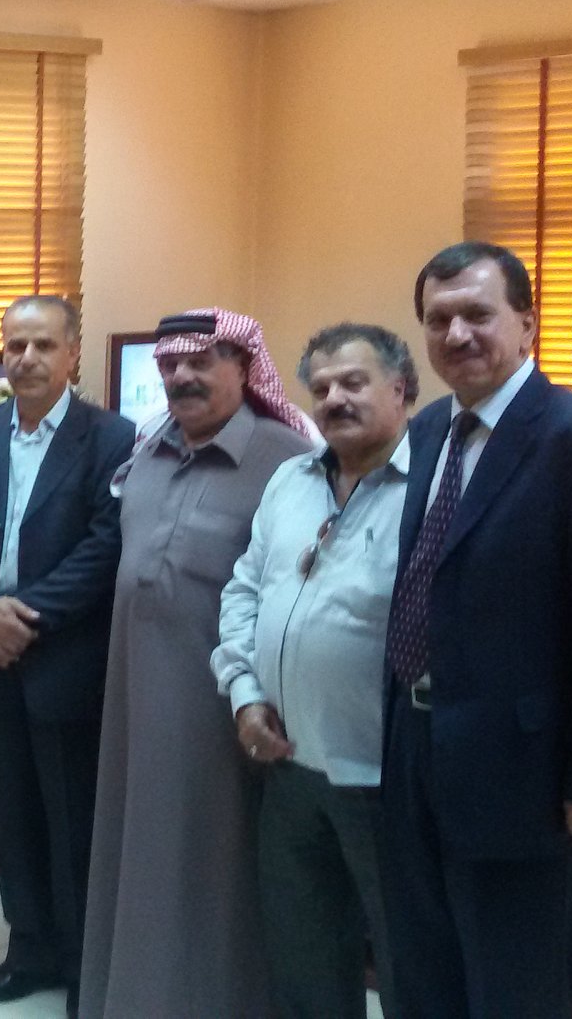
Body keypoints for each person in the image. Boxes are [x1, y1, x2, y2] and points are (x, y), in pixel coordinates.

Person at [379, 242, 572, 1019]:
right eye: (439, 319)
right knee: (423, 978)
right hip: (414, 749)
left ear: (528, 325)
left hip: (526, 775)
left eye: (478, 314)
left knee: (515, 991)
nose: (457, 334)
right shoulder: (429, 430)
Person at [78, 308, 314, 1019]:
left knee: (209, 863)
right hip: (131, 697)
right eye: (169, 364)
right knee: (135, 850)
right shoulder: (149, 448)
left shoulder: (287, 460)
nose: (181, 376)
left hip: (221, 708)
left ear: (244, 366)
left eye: (200, 361)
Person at [0, 295, 132, 1018]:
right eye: (16, 345)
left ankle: (82, 966)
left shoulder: (111, 437)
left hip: (64, 662)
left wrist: (23, 617)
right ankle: (28, 950)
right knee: (11, 816)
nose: (27, 359)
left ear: (73, 352)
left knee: (70, 820)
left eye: (44, 345)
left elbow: (106, 545)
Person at [211, 323, 417, 1019]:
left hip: (384, 778)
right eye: (321, 387)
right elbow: (244, 590)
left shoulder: (431, 490)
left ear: (401, 390)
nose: (334, 399)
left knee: (409, 962)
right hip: (289, 768)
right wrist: (244, 695)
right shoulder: (291, 480)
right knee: (305, 959)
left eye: (353, 382)